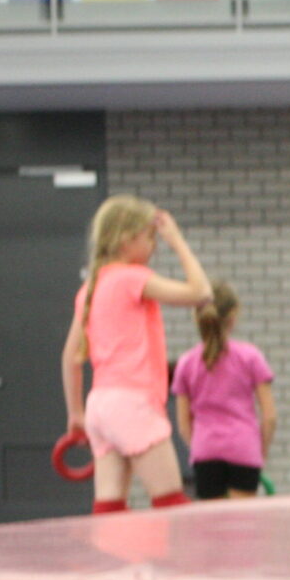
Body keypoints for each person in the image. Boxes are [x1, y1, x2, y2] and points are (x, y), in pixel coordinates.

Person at [61, 197, 212, 514]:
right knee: (173, 505)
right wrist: (178, 242)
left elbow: (70, 357)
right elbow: (201, 293)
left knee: (109, 508)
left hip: (100, 407)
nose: (154, 246)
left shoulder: (90, 288)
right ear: (127, 239)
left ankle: (116, 550)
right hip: (132, 403)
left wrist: (75, 413)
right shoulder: (131, 277)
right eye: (150, 238)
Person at [170, 282, 276, 501]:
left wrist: (199, 444)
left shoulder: (186, 362)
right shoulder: (250, 357)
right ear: (233, 317)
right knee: (242, 518)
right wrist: (261, 449)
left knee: (212, 520)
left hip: (206, 449)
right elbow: (270, 417)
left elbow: (183, 424)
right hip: (243, 447)